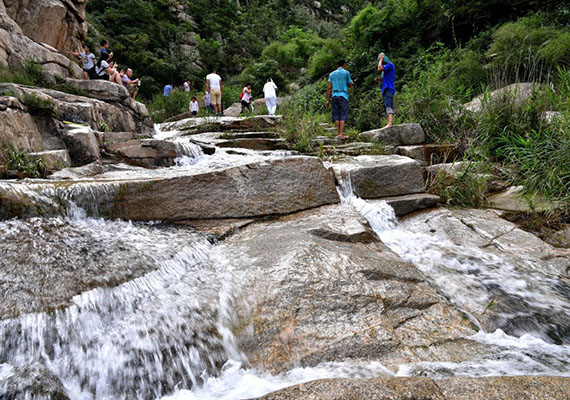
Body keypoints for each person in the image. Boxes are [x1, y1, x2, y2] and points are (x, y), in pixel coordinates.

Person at [326, 59, 353, 140]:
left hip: (334, 96)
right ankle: (341, 133)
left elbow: (329, 87)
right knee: (343, 114)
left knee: (336, 115)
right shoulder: (346, 73)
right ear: (344, 65)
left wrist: (328, 100)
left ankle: (338, 133)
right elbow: (350, 84)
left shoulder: (331, 74)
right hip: (343, 96)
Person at [377, 52, 395, 128]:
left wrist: (381, 59)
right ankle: (388, 123)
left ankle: (390, 123)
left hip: (389, 88)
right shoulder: (385, 70)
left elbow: (379, 68)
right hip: (385, 89)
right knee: (386, 106)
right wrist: (380, 80)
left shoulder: (390, 65)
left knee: (389, 105)